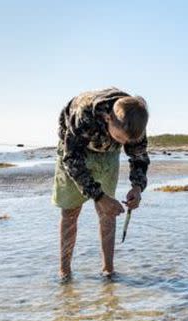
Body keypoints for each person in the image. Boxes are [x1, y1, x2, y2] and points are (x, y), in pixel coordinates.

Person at [52, 88, 150, 279]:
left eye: (127, 141)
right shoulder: (84, 113)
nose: (125, 143)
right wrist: (99, 196)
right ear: (108, 118)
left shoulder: (135, 122)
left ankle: (108, 271)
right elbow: (71, 160)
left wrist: (137, 187)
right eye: (121, 138)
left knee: (108, 212)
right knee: (70, 212)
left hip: (107, 154)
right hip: (74, 151)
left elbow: (139, 156)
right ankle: (65, 272)